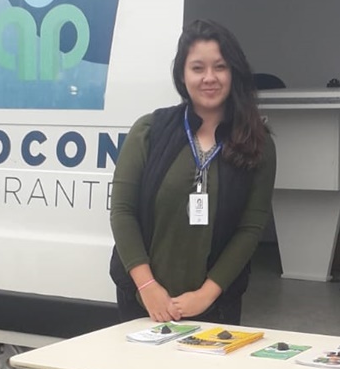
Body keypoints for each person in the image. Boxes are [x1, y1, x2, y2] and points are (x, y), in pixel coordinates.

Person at [108, 19, 277, 325]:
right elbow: (122, 211)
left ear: (234, 72)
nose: (209, 78)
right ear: (182, 75)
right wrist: (147, 287)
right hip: (142, 304)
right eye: (198, 68)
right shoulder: (149, 131)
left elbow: (250, 229)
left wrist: (206, 295)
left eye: (220, 67)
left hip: (216, 308)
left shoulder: (258, 145)